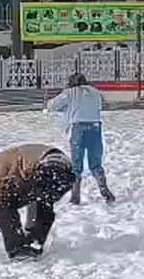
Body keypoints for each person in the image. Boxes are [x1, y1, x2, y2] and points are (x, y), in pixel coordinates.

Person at [0, 144, 76, 260]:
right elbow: (33, 197)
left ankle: (18, 249)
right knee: (44, 204)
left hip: (46, 168)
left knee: (6, 205)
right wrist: (30, 229)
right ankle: (35, 243)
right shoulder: (14, 157)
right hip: (63, 163)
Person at [47, 72, 115, 205]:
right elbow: (101, 105)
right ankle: (103, 187)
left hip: (77, 128)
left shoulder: (70, 92)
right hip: (95, 127)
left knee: (76, 162)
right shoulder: (95, 92)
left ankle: (75, 194)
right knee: (95, 161)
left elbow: (53, 105)